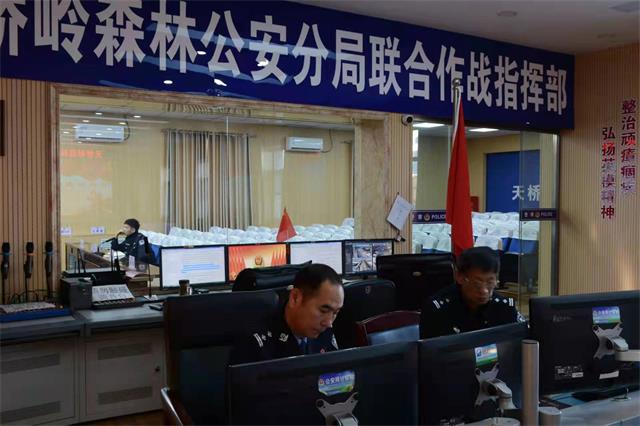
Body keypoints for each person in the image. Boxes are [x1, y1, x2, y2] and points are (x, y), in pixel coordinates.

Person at [231, 264, 344, 364]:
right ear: (295, 298)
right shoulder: (256, 343)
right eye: (323, 311)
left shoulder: (325, 331)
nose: (329, 323)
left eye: (335, 313)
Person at [420, 247, 524, 339]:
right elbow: (432, 351)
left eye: (490, 282)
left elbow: (520, 341)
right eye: (477, 283)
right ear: (459, 277)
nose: (484, 290)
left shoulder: (504, 307)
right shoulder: (438, 309)